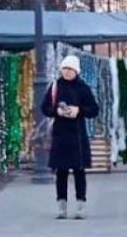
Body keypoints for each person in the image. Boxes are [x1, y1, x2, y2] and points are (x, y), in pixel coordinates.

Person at [40, 55, 99, 220]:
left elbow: (94, 109)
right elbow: (45, 107)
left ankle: (80, 205)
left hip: (78, 136)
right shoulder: (55, 86)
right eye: (64, 69)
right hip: (60, 135)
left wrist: (78, 111)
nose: (66, 72)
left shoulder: (83, 88)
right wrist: (56, 111)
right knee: (61, 172)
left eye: (70, 69)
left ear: (76, 71)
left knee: (79, 171)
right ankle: (62, 207)